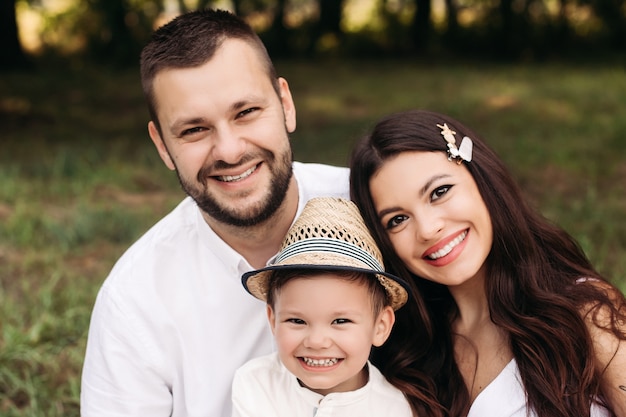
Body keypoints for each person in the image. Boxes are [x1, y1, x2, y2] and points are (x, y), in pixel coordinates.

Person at [80, 9, 349, 417]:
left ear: (285, 104)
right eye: (194, 130)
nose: (229, 150)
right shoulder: (135, 301)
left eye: (246, 113)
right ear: (161, 145)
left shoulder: (379, 210)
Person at [349, 109, 626, 417]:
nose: (428, 229)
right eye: (397, 219)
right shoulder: (406, 355)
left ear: (483, 180)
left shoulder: (584, 313)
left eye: (439, 192)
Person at [231, 197, 414, 416]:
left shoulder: (395, 409)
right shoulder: (256, 384)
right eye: (297, 321)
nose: (316, 342)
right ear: (273, 320)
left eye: (340, 321)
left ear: (380, 326)